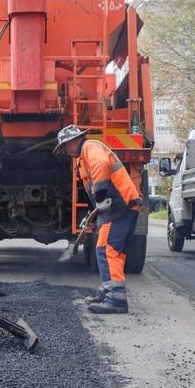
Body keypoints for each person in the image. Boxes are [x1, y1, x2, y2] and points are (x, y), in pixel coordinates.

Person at [54, 125, 141, 314]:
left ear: (73, 141)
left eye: (65, 146)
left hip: (119, 204)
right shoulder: (82, 159)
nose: (65, 151)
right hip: (117, 206)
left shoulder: (90, 148)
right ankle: (108, 289)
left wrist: (100, 195)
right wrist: (93, 213)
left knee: (106, 249)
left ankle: (116, 299)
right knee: (112, 250)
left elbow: (101, 167)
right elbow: (93, 192)